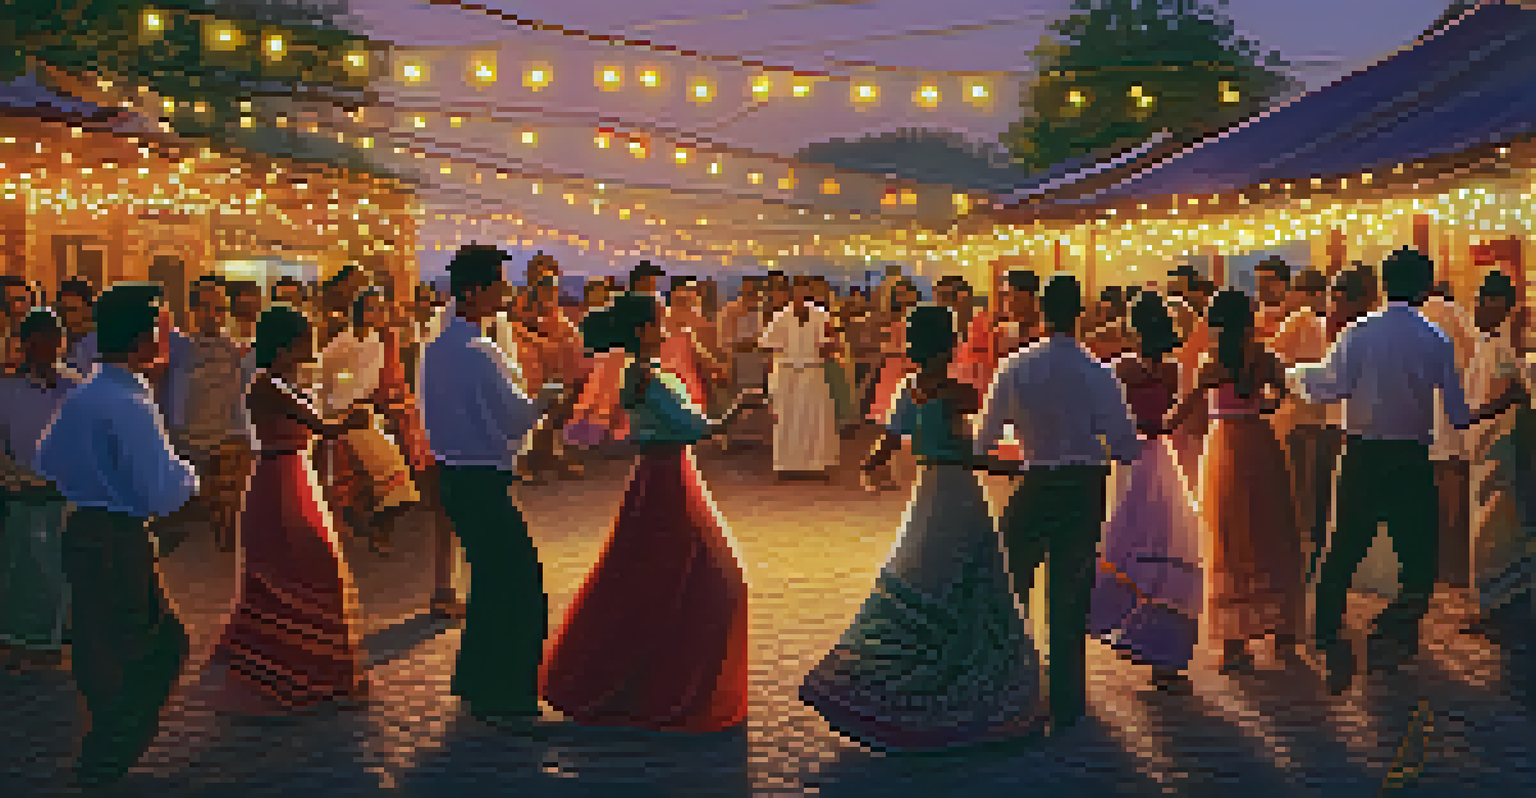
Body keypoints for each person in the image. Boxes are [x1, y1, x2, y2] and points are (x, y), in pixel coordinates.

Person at [805, 304, 1040, 751]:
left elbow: (887, 445)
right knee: (968, 585)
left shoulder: (907, 391)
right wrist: (1005, 465)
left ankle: (886, 688)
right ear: (951, 346)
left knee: (916, 579)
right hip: (961, 495)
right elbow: (965, 452)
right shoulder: (962, 395)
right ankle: (963, 695)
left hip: (927, 493)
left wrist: (872, 467)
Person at [540, 294, 761, 732]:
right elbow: (696, 427)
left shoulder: (640, 374)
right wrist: (741, 406)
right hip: (668, 480)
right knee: (710, 581)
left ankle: (652, 681)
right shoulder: (648, 378)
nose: (666, 330)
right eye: (660, 323)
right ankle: (670, 687)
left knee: (658, 580)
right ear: (644, 330)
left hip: (662, 476)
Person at [1289, 247, 1473, 694]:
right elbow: (1457, 413)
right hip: (1412, 457)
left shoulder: (1358, 332)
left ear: (1384, 286)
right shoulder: (1435, 339)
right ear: (1425, 287)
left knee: (1343, 547)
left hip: (1363, 453)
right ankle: (1392, 633)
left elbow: (1329, 387)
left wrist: (1293, 374)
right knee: (1417, 556)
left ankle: (1328, 633)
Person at [35, 283, 196, 787]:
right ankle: (103, 762)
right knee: (158, 647)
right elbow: (161, 491)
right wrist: (190, 477)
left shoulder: (85, 394)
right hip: (119, 538)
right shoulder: (129, 401)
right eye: (160, 328)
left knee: (101, 654)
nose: (166, 337)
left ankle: (100, 758)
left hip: (79, 529)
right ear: (143, 339)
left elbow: (45, 460)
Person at [977, 274, 1141, 735]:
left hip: (1034, 481)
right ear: (1081, 314)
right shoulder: (1098, 373)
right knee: (1069, 599)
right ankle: (1066, 702)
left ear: (1041, 312)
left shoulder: (1014, 366)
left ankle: (1012, 688)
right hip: (1085, 486)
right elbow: (1126, 447)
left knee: (1011, 590)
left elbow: (985, 439)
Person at [200, 305, 373, 716]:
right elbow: (326, 427)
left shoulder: (282, 384)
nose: (309, 346)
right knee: (306, 571)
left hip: (294, 479)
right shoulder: (266, 387)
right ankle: (300, 677)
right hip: (280, 486)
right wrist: (355, 417)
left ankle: (313, 674)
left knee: (306, 572)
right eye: (303, 339)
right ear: (285, 345)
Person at [421, 245, 552, 724]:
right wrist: (547, 400)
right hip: (482, 478)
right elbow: (515, 416)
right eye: (498, 282)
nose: (506, 290)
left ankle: (478, 682)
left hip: (455, 475)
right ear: (474, 292)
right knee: (518, 590)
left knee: (492, 585)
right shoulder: (481, 352)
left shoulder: (436, 350)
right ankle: (506, 695)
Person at [1158, 290, 1302, 675]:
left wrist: (1150, 427)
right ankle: (1281, 629)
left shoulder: (1212, 366)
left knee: (1229, 537)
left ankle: (1236, 646)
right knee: (1270, 531)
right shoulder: (1265, 359)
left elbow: (1179, 413)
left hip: (1225, 447)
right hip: (1260, 443)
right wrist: (1266, 404)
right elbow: (1285, 393)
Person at [1089, 293, 1203, 693]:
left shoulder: (1121, 369)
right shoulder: (1171, 370)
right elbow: (1171, 418)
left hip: (1129, 457)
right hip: (1161, 457)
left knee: (1122, 540)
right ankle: (1161, 656)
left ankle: (1105, 620)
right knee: (1166, 548)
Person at [0, 309, 84, 671]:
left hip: (59, 493)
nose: (47, 348)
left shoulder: (74, 388)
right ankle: (19, 640)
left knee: (55, 569)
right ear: (26, 344)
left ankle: (52, 642)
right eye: (39, 340)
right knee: (19, 568)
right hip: (18, 492)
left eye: (54, 339)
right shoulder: (7, 389)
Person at [317, 286, 421, 550]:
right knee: (393, 475)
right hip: (342, 414)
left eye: (381, 309)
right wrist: (337, 408)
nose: (379, 314)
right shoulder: (342, 343)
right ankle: (374, 530)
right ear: (360, 311)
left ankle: (377, 526)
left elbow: (369, 384)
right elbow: (322, 377)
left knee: (402, 484)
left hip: (364, 412)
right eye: (373, 308)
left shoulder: (378, 343)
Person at [178, 280, 255, 552]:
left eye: (220, 309)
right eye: (206, 308)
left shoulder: (238, 352)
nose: (214, 315)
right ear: (194, 311)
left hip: (228, 437)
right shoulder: (180, 353)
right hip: (189, 440)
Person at [1268, 269, 1334, 580]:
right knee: (1319, 498)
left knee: (1296, 497)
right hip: (1324, 422)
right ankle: (1315, 561)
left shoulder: (1299, 321)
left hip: (1296, 420)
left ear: (1305, 293)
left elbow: (1274, 365)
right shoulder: (1328, 325)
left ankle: (1298, 562)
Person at [1417, 280, 1479, 589]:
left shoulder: (1420, 317)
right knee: (1456, 497)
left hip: (1425, 420)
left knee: (1434, 498)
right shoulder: (1462, 317)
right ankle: (1455, 566)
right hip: (1455, 419)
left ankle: (1438, 566)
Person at [759, 275, 840, 479]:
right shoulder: (780, 317)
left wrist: (830, 346)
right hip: (787, 373)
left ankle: (816, 465)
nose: (801, 295)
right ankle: (786, 465)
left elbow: (832, 343)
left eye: (805, 290)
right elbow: (766, 344)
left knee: (815, 418)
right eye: (797, 290)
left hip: (813, 371)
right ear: (791, 293)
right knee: (786, 419)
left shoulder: (822, 315)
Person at [953, 270, 1040, 399]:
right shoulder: (998, 334)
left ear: (1031, 298)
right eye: (1005, 296)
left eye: (1012, 296)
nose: (1007, 302)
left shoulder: (1046, 335)